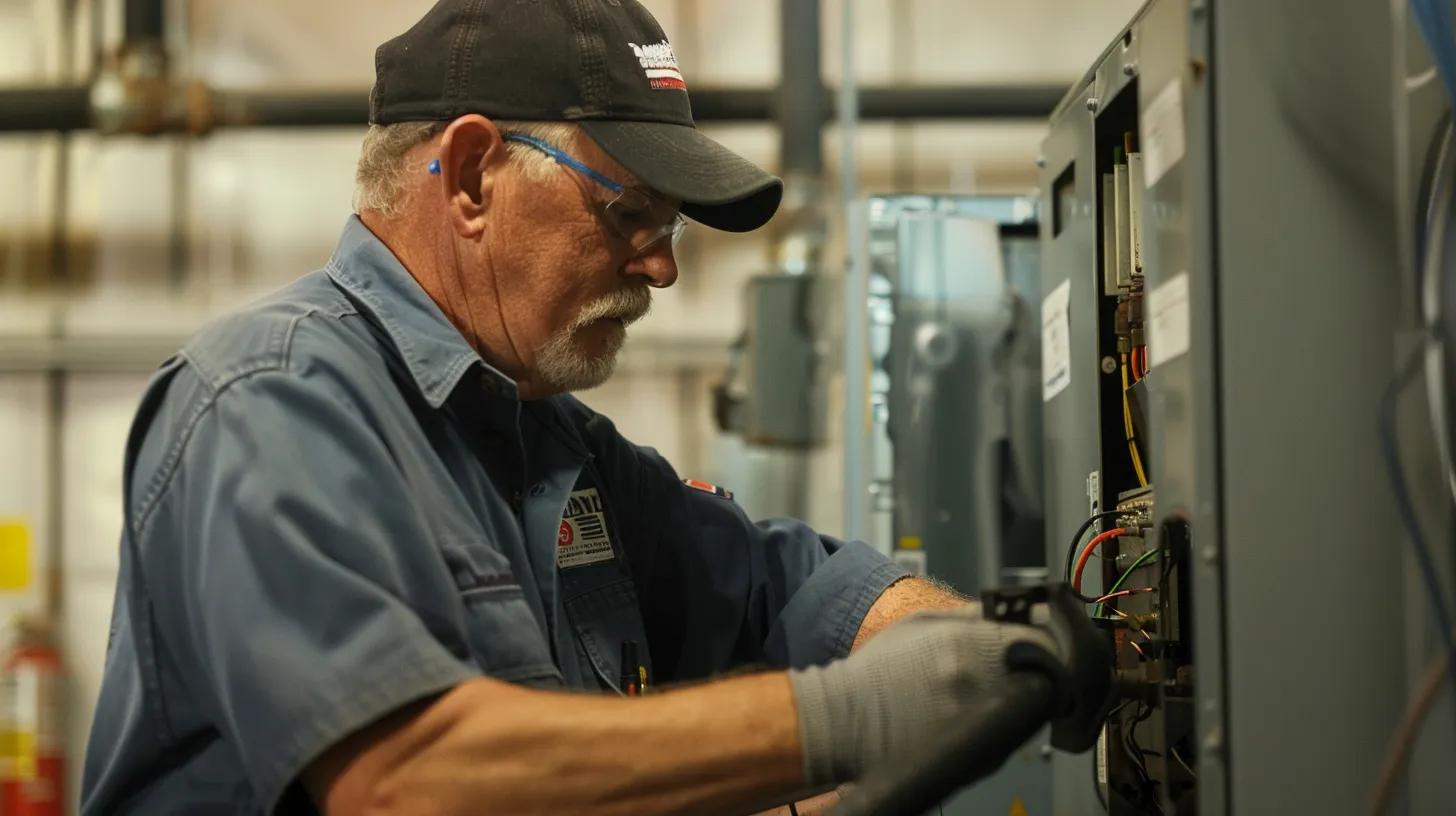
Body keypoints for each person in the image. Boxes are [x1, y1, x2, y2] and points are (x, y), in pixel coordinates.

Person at [80, 1, 1090, 813]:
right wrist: (854, 719)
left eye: (668, 228)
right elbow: (411, 781)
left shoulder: (549, 443)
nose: (660, 269)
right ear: (470, 177)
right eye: (628, 213)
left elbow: (789, 589)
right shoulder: (272, 401)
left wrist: (967, 647)